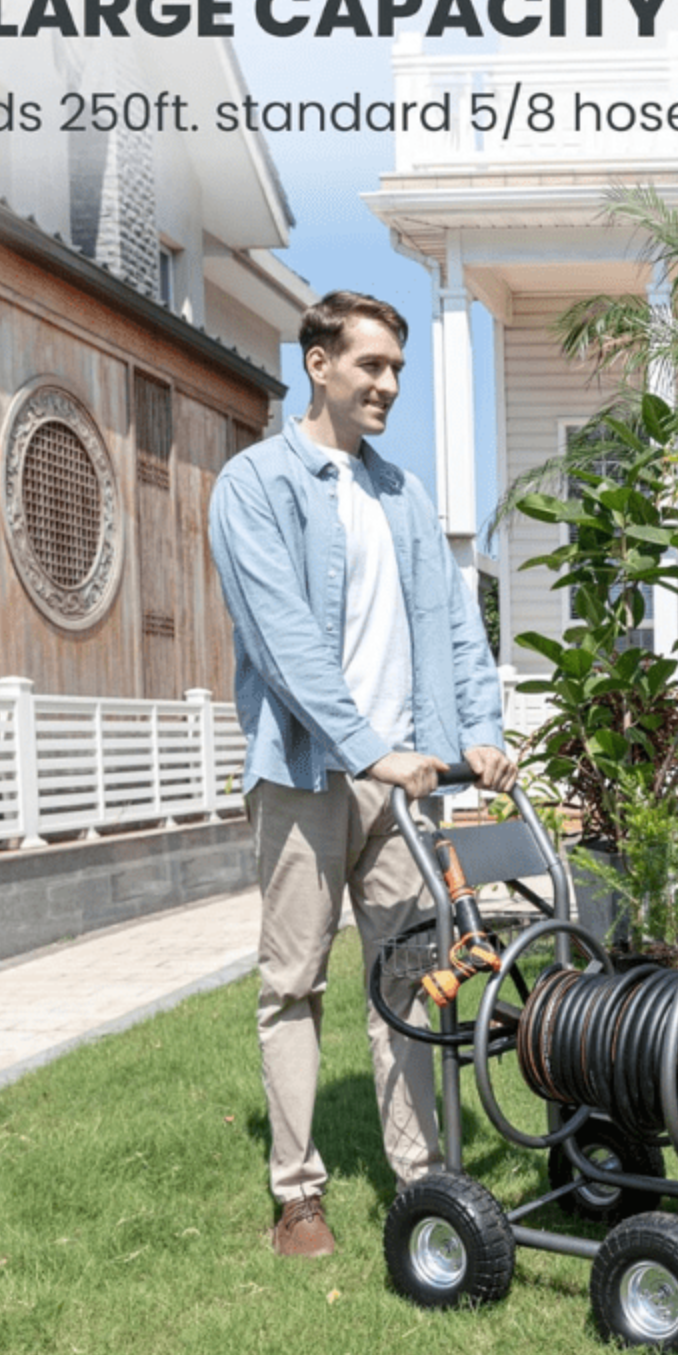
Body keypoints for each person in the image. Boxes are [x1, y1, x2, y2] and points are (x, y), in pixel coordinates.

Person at [209, 290, 516, 1258]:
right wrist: (364, 746)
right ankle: (297, 1193)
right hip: (308, 773)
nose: (387, 385)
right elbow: (284, 642)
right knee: (294, 982)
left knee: (411, 976)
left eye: (396, 370)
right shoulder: (253, 486)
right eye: (370, 366)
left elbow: (458, 628)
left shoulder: (406, 496)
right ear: (317, 364)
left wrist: (480, 731)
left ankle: (423, 1181)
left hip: (406, 778)